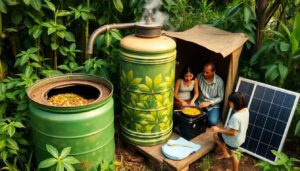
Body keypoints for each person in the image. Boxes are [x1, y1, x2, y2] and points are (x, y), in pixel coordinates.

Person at [211, 92, 249, 171]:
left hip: (233, 140)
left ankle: (235, 169)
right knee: (218, 135)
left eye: (230, 102)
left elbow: (233, 133)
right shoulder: (245, 110)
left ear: (236, 104)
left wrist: (218, 129)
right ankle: (225, 153)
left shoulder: (236, 117)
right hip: (241, 137)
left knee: (216, 135)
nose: (229, 103)